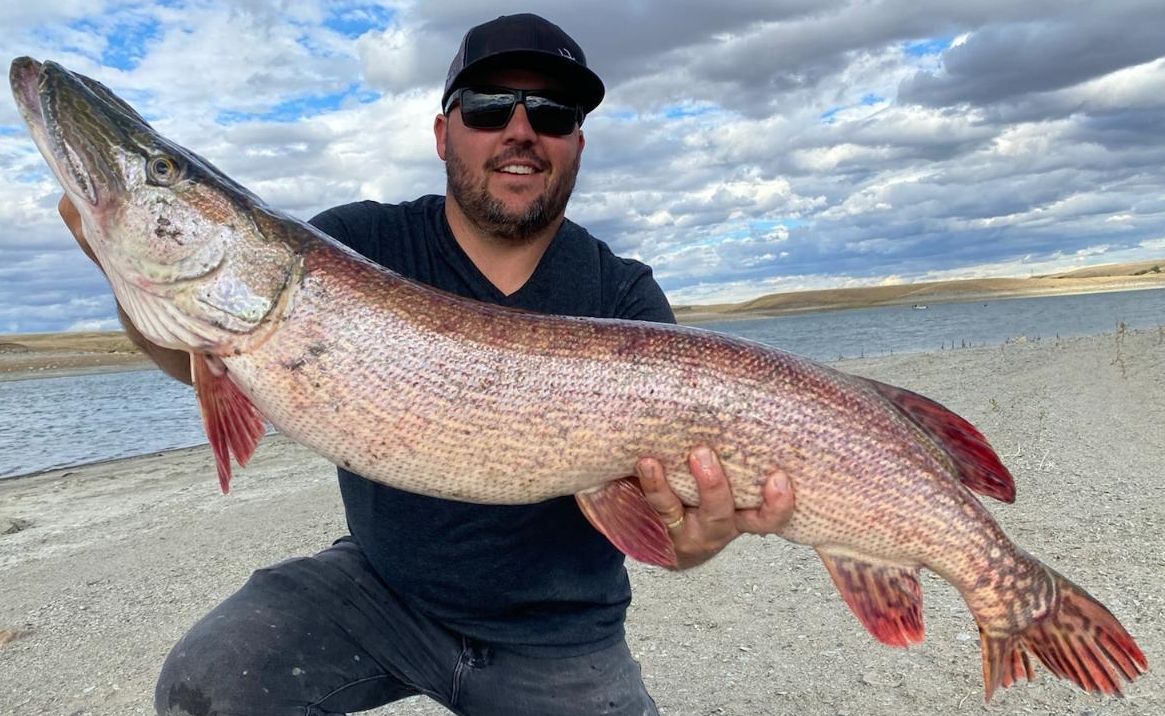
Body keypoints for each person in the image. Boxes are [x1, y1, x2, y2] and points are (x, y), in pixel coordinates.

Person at [60, 13, 796, 716]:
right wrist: (118, 260)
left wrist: (691, 539)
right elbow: (193, 350)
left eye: (552, 112)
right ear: (444, 132)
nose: (519, 130)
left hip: (555, 636)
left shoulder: (621, 295)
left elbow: (663, 525)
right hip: (378, 591)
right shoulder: (355, 243)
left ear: (577, 141)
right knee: (209, 684)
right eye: (486, 108)